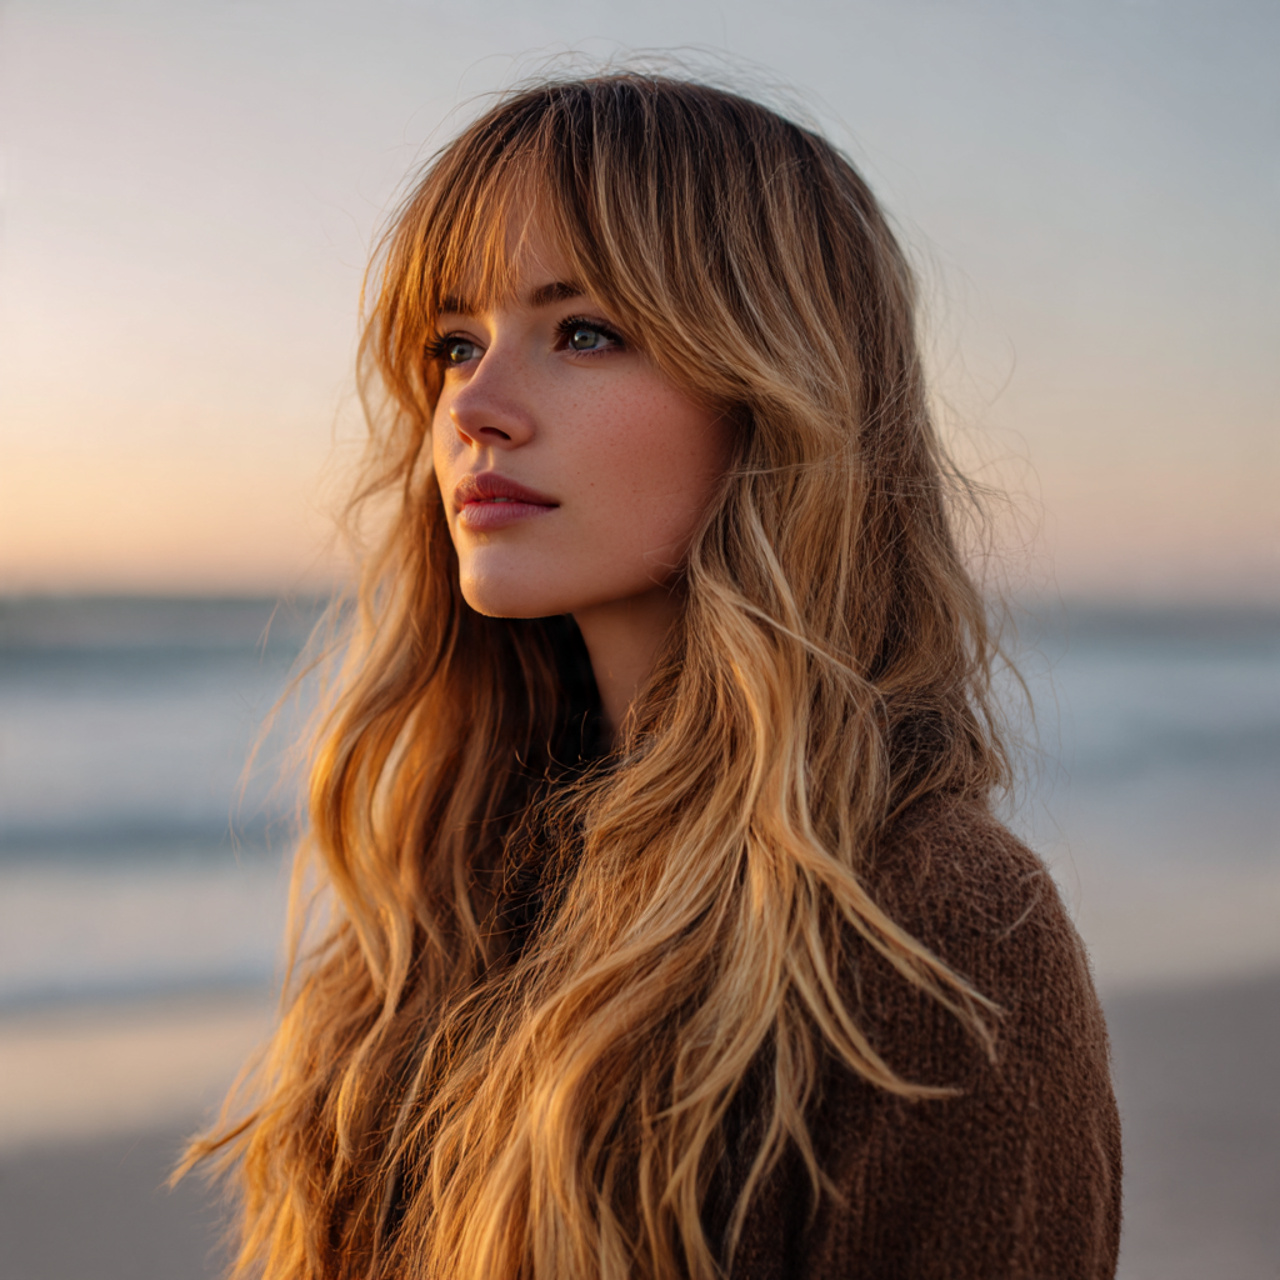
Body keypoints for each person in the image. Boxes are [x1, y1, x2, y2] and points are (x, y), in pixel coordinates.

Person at [186, 73, 1122, 1279]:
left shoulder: (935, 928)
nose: (474, 403)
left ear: (775, 392)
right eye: (453, 342)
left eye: (583, 332)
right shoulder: (452, 893)